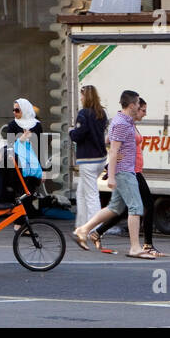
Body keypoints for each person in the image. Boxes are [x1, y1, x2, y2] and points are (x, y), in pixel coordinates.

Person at [74, 90, 153, 259]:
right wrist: (110, 176)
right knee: (136, 207)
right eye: (138, 104)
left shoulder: (125, 121)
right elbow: (113, 149)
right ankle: (135, 248)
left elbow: (108, 142)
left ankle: (84, 229)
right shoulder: (122, 123)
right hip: (124, 171)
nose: (140, 106)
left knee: (115, 208)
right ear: (132, 105)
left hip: (126, 169)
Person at [69, 84, 108, 229]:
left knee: (91, 195)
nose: (81, 98)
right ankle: (81, 225)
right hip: (100, 158)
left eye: (82, 95)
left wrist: (71, 131)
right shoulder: (102, 113)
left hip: (87, 159)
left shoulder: (83, 114)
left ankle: (95, 228)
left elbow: (78, 136)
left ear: (86, 97)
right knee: (81, 192)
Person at [1, 98, 43, 202]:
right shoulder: (12, 125)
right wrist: (21, 140)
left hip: (33, 165)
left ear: (25, 110)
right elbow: (10, 145)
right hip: (17, 166)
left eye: (17, 110)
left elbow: (40, 148)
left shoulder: (37, 125)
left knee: (30, 193)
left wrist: (43, 170)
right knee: (19, 193)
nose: (14, 113)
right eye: (13, 110)